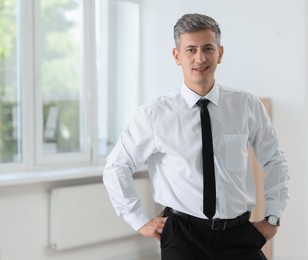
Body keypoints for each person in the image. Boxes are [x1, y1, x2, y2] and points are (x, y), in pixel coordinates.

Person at [103, 13, 289, 260]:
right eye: (190, 49)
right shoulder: (154, 115)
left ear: (220, 53)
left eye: (207, 48)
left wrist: (273, 218)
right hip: (183, 237)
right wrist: (139, 220)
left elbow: (274, 160)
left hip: (239, 235)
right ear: (177, 56)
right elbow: (116, 166)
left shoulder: (246, 106)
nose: (200, 58)